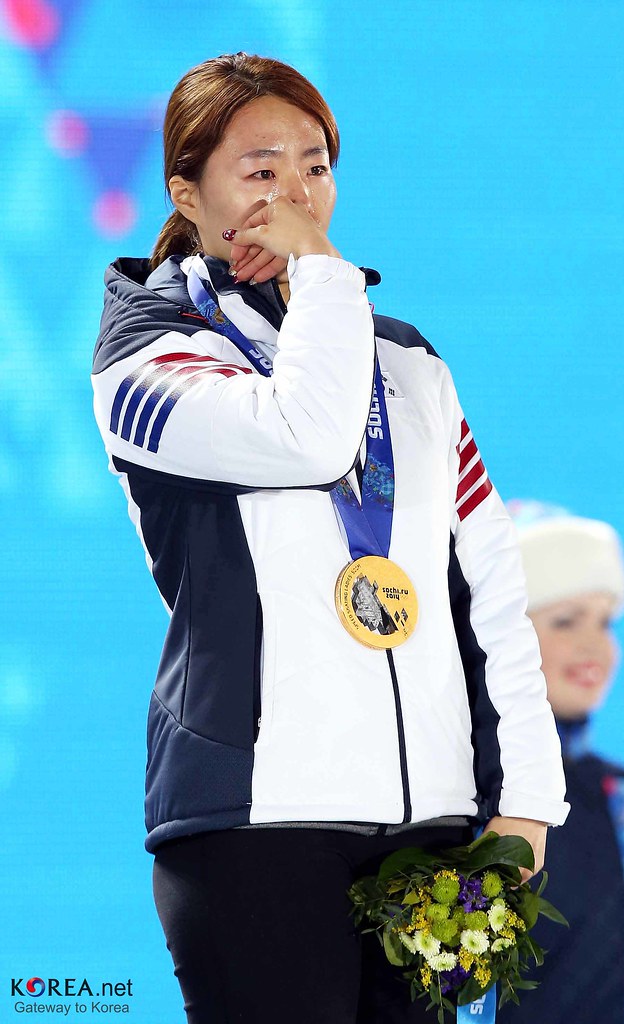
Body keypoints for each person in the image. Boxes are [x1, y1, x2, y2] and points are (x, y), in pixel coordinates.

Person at [91, 53, 569, 1024]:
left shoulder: (408, 359)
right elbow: (305, 431)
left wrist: (523, 801)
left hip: (428, 820)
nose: (297, 196)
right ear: (187, 190)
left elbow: (487, 583)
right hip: (254, 817)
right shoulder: (146, 351)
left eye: (314, 166)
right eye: (259, 170)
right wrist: (322, 272)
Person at [498, 500, 624, 1024]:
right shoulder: (467, 798)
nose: (593, 645)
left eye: (605, 622)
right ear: (503, 637)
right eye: (565, 620)